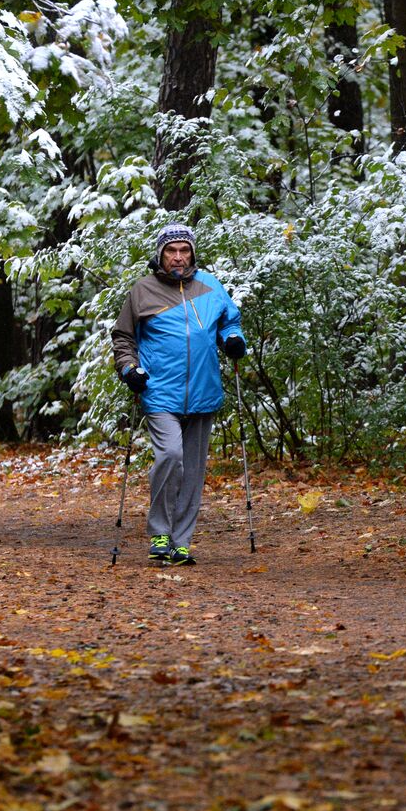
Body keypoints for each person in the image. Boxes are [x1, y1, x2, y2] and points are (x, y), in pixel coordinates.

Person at [112, 223, 246, 565]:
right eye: (171, 251)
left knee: (194, 471)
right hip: (158, 391)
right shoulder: (142, 291)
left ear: (192, 253)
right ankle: (160, 531)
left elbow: (230, 321)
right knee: (171, 456)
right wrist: (130, 370)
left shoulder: (210, 286)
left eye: (184, 250)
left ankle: (181, 541)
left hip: (203, 392)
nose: (178, 257)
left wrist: (233, 340)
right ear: (160, 255)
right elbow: (123, 338)